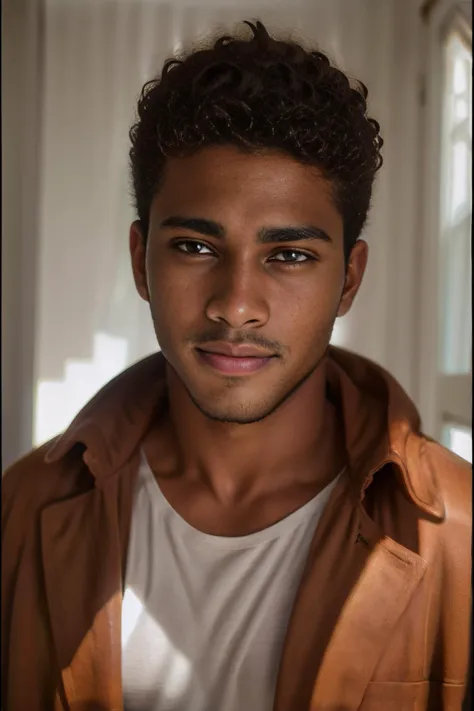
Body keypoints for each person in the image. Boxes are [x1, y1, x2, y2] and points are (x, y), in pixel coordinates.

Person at [2, 20, 471, 711]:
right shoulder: (25, 507)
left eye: (288, 255)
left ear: (348, 279)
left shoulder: (458, 535)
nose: (236, 305)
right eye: (195, 247)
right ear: (141, 261)